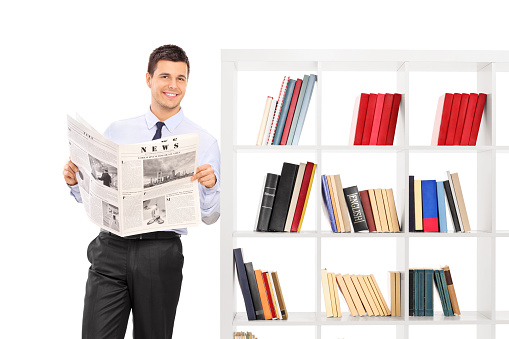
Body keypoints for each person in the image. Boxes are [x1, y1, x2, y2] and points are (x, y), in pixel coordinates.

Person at [62, 44, 220, 339]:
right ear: (149, 79)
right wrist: (76, 181)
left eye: (180, 78)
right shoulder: (118, 131)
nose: (172, 85)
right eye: (164, 76)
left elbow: (210, 216)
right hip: (110, 249)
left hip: (159, 253)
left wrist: (210, 187)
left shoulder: (204, 141)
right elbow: (95, 194)